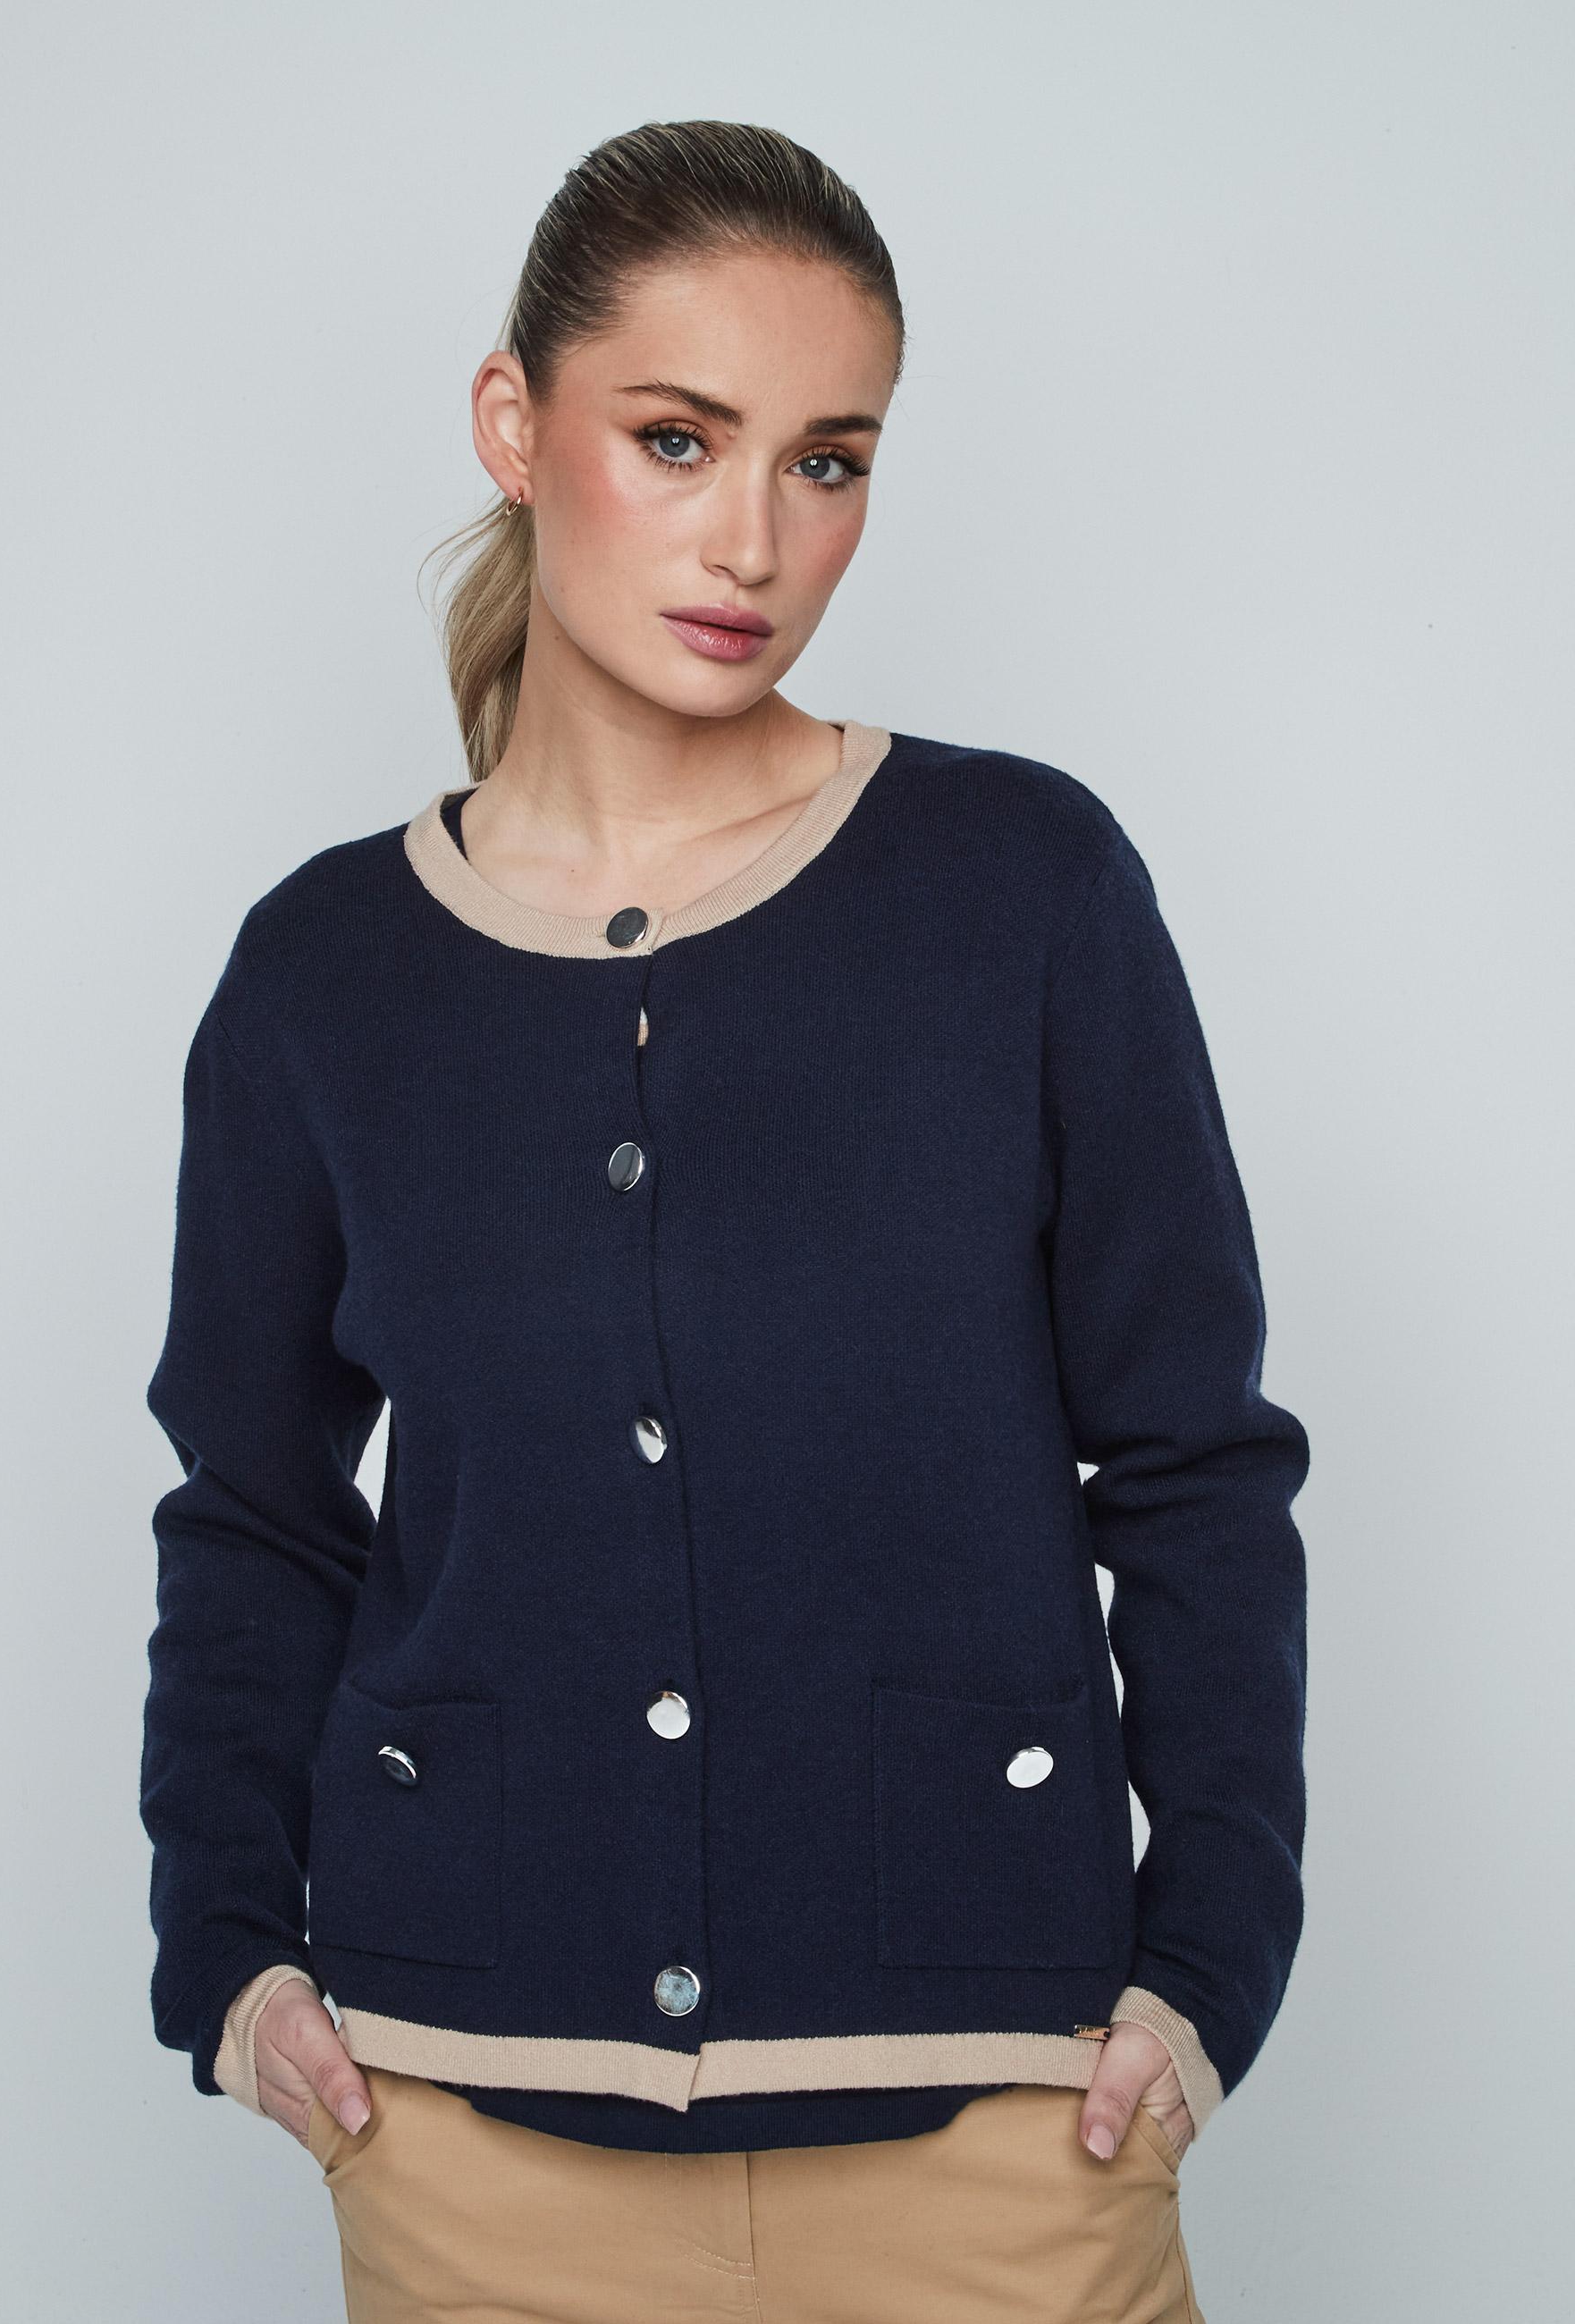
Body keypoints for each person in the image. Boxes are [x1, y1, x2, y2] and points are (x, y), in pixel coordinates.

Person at [139, 117, 1309, 2323]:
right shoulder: (324, 978)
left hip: (1001, 2129)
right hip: (469, 2141)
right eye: (676, 440)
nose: (754, 539)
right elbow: (258, 1511)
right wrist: (230, 1952)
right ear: (516, 424)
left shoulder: (1023, 892)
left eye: (826, 462)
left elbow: (1194, 1464)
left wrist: (1209, 1963)